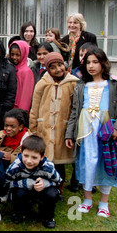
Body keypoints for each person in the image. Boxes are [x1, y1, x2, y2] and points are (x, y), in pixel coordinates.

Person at [65, 47, 117, 218]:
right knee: (87, 163)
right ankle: (87, 200)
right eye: (88, 62)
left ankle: (104, 203)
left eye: (95, 62)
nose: (91, 66)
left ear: (103, 63)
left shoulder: (116, 84)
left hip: (106, 131)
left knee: (106, 164)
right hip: (86, 132)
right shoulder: (81, 86)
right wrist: (70, 134)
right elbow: (74, 111)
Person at [29, 52, 79, 192]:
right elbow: (35, 107)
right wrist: (33, 128)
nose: (58, 69)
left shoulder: (73, 83)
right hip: (44, 127)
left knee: (59, 162)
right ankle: (42, 184)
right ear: (47, 69)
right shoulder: (42, 83)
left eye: (60, 65)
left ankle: (59, 186)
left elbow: (75, 107)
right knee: (44, 159)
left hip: (62, 128)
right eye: (53, 67)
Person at [5, 135, 62, 229]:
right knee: (18, 193)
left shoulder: (48, 168)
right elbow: (6, 183)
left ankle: (47, 217)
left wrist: (45, 183)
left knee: (52, 193)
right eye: (26, 156)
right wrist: (25, 183)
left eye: (34, 157)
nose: (29, 161)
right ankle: (20, 213)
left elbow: (58, 181)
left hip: (43, 191)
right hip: (23, 192)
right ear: (21, 152)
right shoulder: (14, 167)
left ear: (42, 157)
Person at [9, 40, 34, 113]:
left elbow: (26, 96)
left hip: (19, 111)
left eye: (18, 55)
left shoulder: (26, 71)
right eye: (12, 54)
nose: (14, 57)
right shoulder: (11, 68)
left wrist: (22, 113)